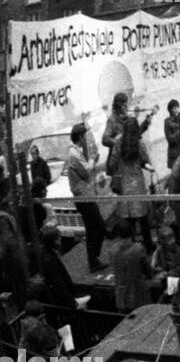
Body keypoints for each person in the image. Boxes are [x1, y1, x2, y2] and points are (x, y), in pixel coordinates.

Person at [66, 124, 108, 273]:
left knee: (92, 230)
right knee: (99, 228)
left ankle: (93, 261)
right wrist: (92, 159)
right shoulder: (74, 154)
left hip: (85, 197)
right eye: (86, 136)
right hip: (83, 198)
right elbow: (86, 172)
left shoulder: (76, 152)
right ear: (81, 137)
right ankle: (93, 258)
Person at [113, 116, 155, 254]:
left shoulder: (118, 141)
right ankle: (148, 246)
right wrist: (150, 167)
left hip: (124, 183)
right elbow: (146, 161)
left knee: (128, 217)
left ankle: (129, 247)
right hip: (137, 182)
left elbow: (113, 162)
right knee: (142, 216)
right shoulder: (139, 143)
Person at [109, 219, 154, 313]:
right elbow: (147, 271)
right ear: (133, 232)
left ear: (118, 234)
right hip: (139, 297)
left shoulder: (112, 250)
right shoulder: (139, 248)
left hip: (121, 299)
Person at [36, 224, 77, 310]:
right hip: (59, 299)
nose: (60, 240)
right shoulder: (50, 259)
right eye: (58, 238)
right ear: (53, 241)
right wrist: (71, 302)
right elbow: (57, 282)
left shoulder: (45, 253)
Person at [163, 99, 180, 168]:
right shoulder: (167, 122)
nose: (177, 110)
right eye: (174, 108)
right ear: (170, 110)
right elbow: (170, 139)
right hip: (175, 153)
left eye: (177, 107)